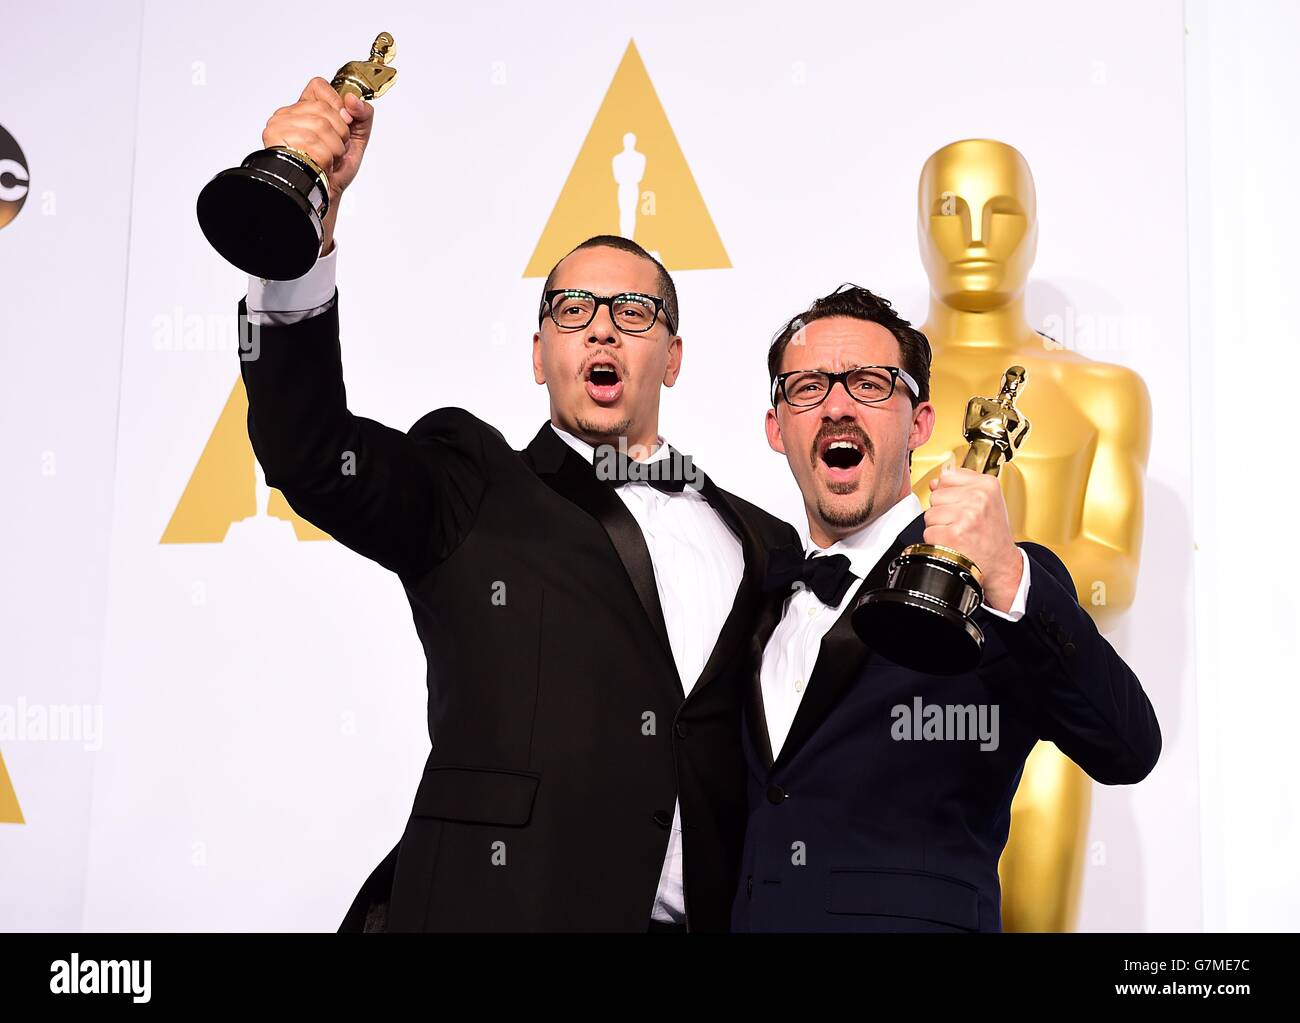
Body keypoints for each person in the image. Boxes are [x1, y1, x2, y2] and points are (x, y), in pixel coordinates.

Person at [238, 78, 797, 932]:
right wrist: (299, 238)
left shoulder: (767, 542)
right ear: (541, 355)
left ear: (674, 356)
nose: (602, 328)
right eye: (573, 310)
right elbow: (309, 449)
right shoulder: (471, 482)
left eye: (633, 311)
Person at [732, 284, 1161, 932]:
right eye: (808, 387)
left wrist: (1010, 575)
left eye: (871, 383)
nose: (838, 405)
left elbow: (1128, 745)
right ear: (776, 426)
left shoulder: (991, 587)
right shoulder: (756, 593)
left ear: (921, 424)